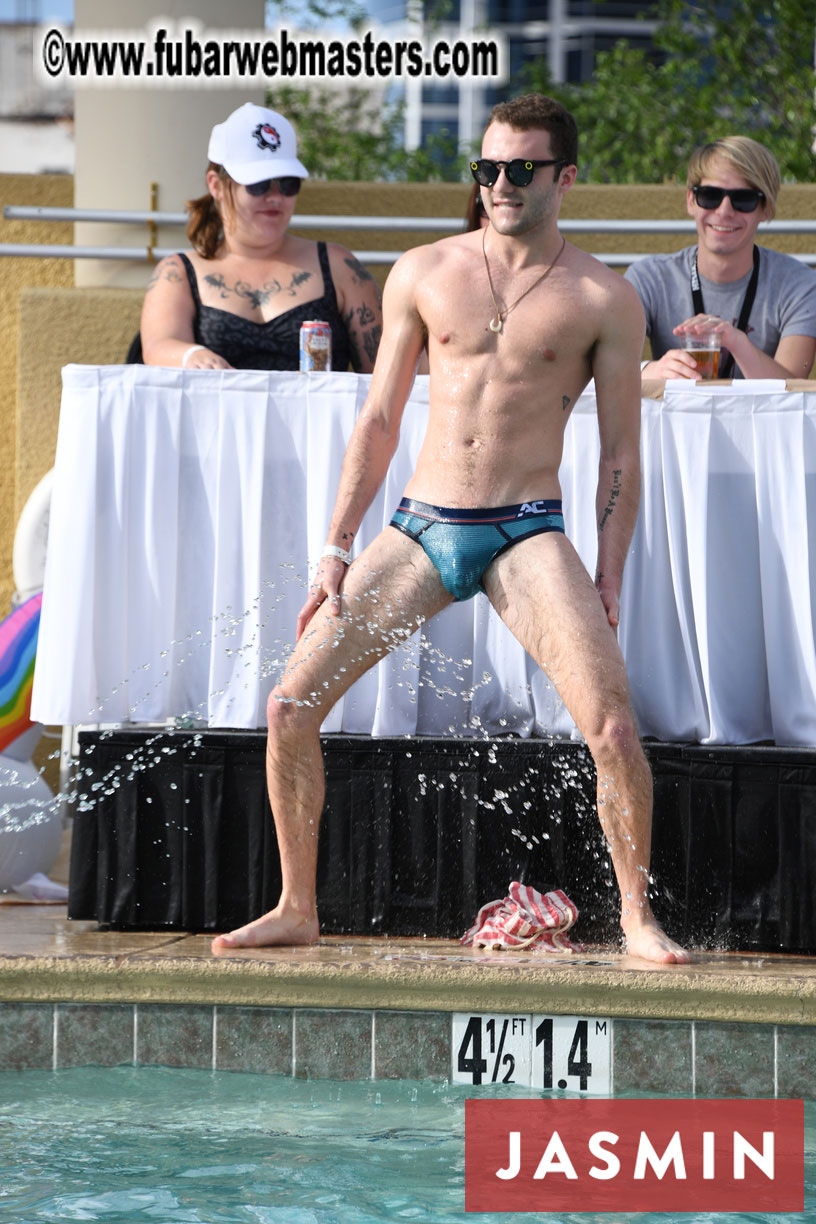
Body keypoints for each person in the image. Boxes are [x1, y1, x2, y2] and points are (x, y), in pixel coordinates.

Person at [211, 93, 691, 965]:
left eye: (520, 170)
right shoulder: (425, 272)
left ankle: (633, 916)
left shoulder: (603, 297)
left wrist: (610, 570)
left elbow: (622, 453)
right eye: (487, 168)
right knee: (288, 705)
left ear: (565, 178)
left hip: (525, 530)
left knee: (614, 729)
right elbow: (379, 419)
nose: (500, 185)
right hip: (421, 525)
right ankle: (296, 905)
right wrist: (334, 548)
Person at [140, 103, 382, 373]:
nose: (275, 197)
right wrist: (191, 355)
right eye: (258, 184)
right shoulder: (179, 273)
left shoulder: (339, 267)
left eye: (289, 183)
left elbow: (385, 373)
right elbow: (157, 346)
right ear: (216, 185)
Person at [625, 136, 816, 381]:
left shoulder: (800, 285)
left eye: (743, 199)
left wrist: (737, 342)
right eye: (710, 195)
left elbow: (792, 390)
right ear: (690, 201)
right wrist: (650, 371)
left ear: (765, 209)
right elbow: (606, 366)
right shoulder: (649, 278)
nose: (724, 211)